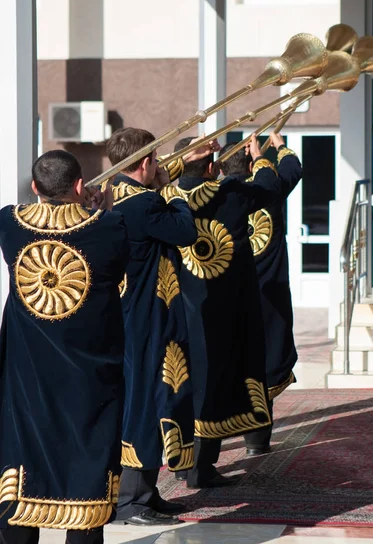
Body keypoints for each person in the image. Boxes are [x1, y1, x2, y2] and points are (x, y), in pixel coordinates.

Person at [0, 150, 129, 544]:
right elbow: (117, 271)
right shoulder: (111, 226)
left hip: (27, 377)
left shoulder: (8, 222)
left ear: (35, 187)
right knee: (86, 469)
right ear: (79, 186)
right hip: (89, 377)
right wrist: (101, 210)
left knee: (22, 471)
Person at [106, 128, 213, 527]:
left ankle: (145, 494)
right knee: (150, 399)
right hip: (149, 315)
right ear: (147, 163)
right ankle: (132, 501)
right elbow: (186, 231)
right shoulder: (146, 202)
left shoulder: (115, 195)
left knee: (147, 395)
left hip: (131, 311)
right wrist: (178, 189)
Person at [167, 133, 280, 489]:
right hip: (221, 310)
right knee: (213, 385)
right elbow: (267, 187)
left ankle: (184, 463)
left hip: (177, 310)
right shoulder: (229, 193)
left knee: (183, 384)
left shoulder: (164, 198)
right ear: (212, 167)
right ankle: (201, 468)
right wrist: (260, 156)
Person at [219, 135, 302, 455]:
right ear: (252, 164)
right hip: (268, 297)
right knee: (264, 368)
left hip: (228, 296)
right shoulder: (269, 190)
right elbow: (293, 168)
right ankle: (257, 441)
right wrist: (277, 146)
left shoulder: (214, 197)